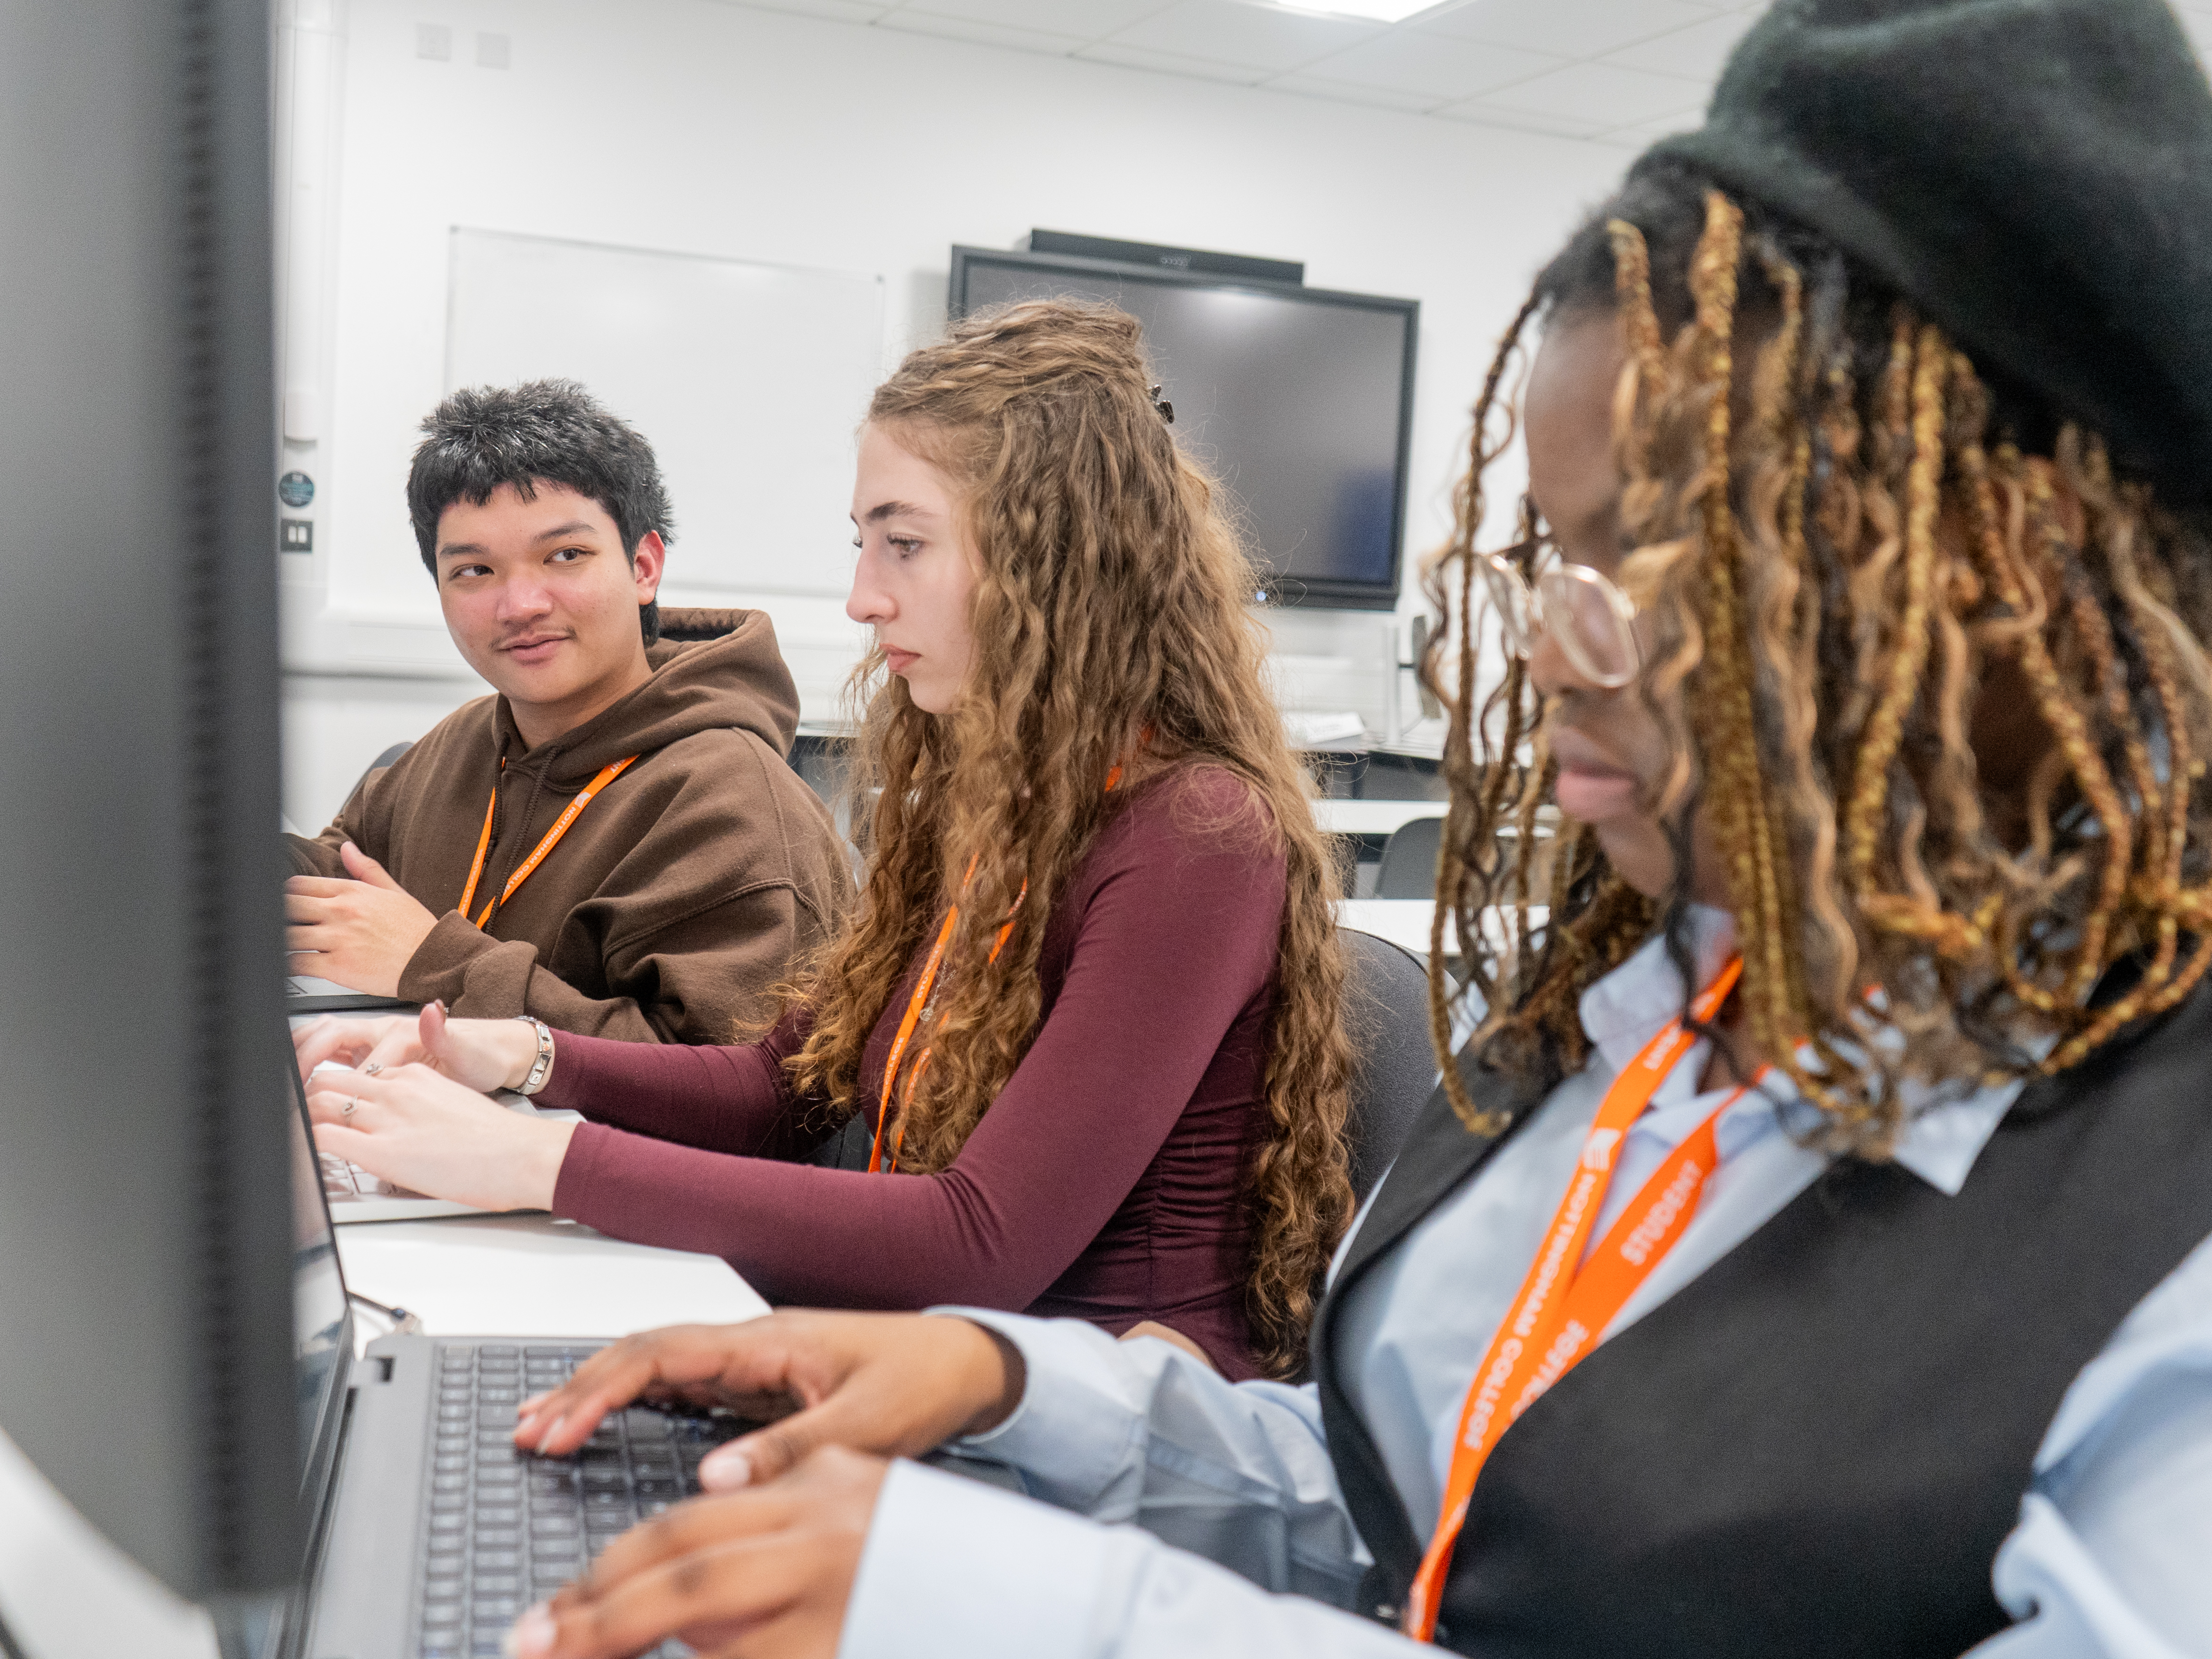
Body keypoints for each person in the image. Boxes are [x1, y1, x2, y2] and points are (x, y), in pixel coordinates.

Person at [461, 3, 2212, 1657]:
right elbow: (1417, 1524)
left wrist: (1030, 1600)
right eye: (1552, 556)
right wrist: (1012, 1389)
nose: (1546, 644)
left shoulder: (2162, 1216)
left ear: (2006, 569)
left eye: (1653, 555)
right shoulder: (1640, 1013)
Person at [299, 303, 1355, 1381]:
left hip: (1107, 1413)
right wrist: (523, 1054)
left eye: (903, 543)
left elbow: (980, 1242)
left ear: (1052, 557)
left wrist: (537, 1157)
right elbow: (782, 1086)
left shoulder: (1196, 832)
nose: (861, 596)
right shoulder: (996, 801)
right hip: (931, 1365)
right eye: (863, 544)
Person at [284, 379, 851, 1044]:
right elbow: (336, 881)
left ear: (643, 566)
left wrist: (435, 965)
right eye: (473, 571)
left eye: (565, 556)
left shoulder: (733, 803)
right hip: (424, 1118)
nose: (520, 604)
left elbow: (724, 1093)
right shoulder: (469, 739)